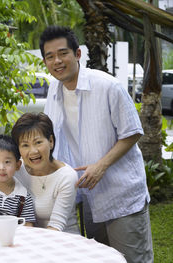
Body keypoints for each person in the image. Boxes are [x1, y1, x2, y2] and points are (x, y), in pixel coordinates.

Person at [39, 25, 153, 262]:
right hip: (87, 194)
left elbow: (132, 132)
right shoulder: (54, 89)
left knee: (132, 259)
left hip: (121, 194)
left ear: (77, 54)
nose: (57, 61)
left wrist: (101, 165)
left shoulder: (108, 86)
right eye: (50, 57)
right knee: (99, 258)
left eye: (63, 53)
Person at [11, 112, 79, 234]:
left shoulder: (67, 176)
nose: (33, 151)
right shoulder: (16, 170)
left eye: (38, 142)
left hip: (63, 241)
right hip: (28, 238)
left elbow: (56, 227)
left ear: (51, 141)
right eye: (25, 145)